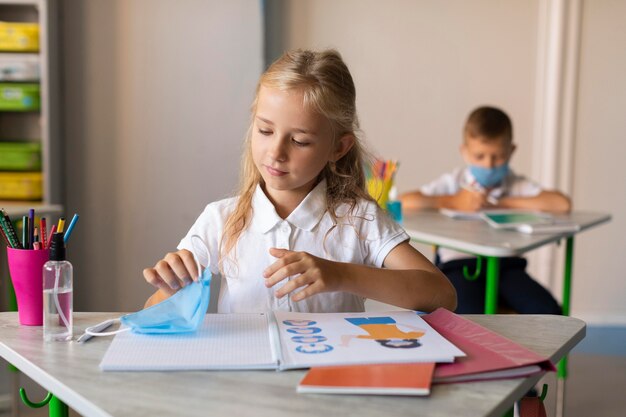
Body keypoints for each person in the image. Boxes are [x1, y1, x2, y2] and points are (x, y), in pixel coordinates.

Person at [142, 49, 456, 314]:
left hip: (329, 381)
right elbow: (151, 313)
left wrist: (341, 274)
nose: (276, 152)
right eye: (265, 131)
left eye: (300, 141)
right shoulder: (220, 220)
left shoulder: (359, 220)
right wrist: (170, 289)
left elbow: (443, 295)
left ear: (338, 147)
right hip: (245, 384)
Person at [400, 106, 570, 314]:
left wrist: (501, 204)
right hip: (459, 266)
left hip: (506, 267)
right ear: (465, 152)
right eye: (480, 156)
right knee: (469, 318)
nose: (489, 165)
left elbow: (561, 204)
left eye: (498, 157)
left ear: (511, 151)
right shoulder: (455, 182)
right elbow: (405, 201)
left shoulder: (515, 184)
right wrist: (453, 200)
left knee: (549, 311)